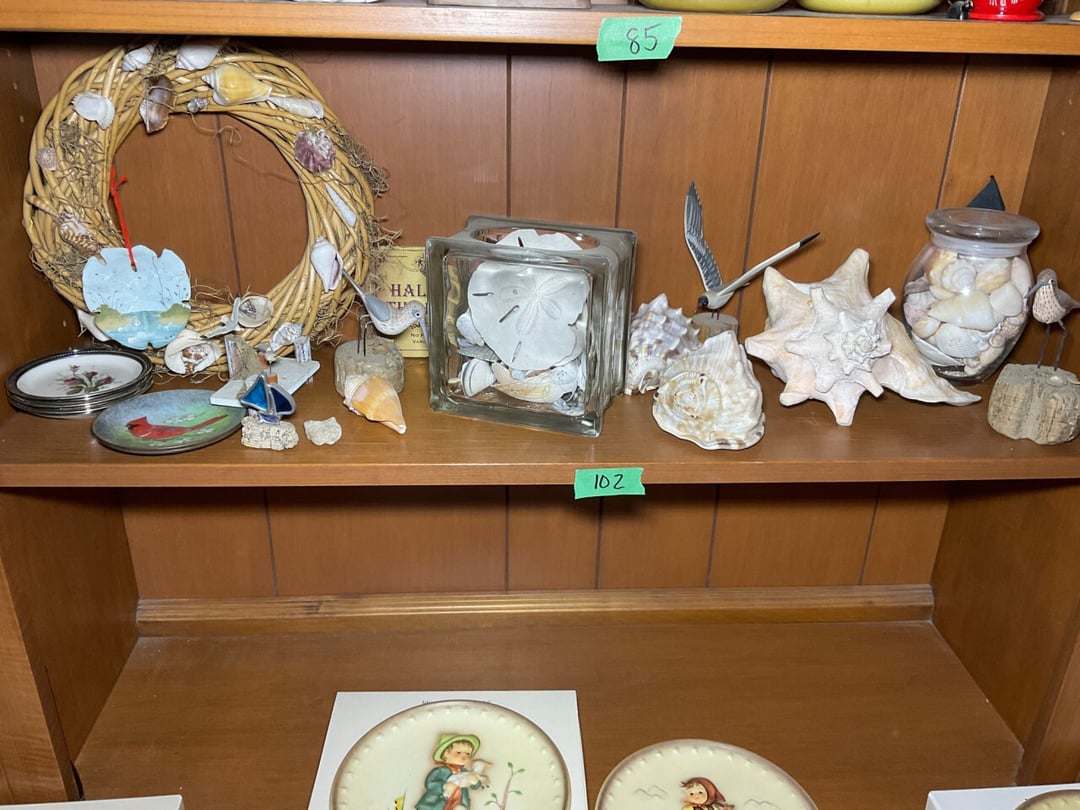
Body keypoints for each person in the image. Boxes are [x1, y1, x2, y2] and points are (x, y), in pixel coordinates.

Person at [415, 733, 487, 810]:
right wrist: (443, 786)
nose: (464, 757)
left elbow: (474, 786)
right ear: (446, 754)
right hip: (438, 802)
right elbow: (429, 784)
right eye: (458, 752)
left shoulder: (464, 772)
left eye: (468, 753)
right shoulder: (441, 770)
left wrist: (475, 782)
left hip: (459, 803)